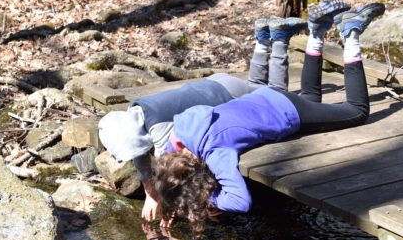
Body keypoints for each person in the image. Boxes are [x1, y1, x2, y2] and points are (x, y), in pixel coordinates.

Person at [153, 0, 385, 234]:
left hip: (286, 112)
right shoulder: (183, 127)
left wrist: (207, 201)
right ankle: (317, 30)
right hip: (266, 97)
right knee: (311, 98)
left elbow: (240, 201)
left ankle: (352, 33)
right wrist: (172, 200)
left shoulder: (217, 153)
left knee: (356, 112)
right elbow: (167, 157)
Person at [97, 16, 308, 225]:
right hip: (216, 83)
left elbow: (176, 170)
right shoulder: (135, 112)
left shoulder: (160, 129)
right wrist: (150, 193)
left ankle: (279, 40)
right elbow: (139, 154)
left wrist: (174, 205)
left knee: (274, 92)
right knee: (256, 84)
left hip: (229, 96)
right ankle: (262, 40)